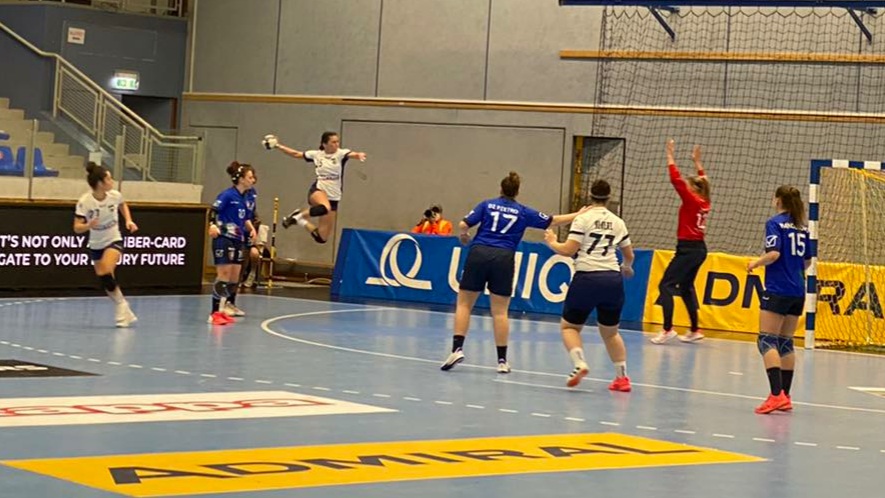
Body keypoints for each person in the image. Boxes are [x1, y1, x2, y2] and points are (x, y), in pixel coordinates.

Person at [440, 171, 588, 374]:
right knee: (500, 312)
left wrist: (464, 235)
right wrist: (579, 214)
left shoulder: (487, 205)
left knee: (464, 304)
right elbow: (553, 220)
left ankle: (457, 349)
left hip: (479, 252)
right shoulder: (523, 212)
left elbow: (463, 224)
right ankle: (502, 361)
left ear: (501, 189)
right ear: (517, 192)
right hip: (504, 257)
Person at [543, 179, 634, 392]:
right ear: (609, 197)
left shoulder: (583, 219)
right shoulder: (618, 222)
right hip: (612, 280)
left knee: (570, 327)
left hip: (587, 278)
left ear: (590, 196)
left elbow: (568, 250)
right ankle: (622, 378)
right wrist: (626, 267)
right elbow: (629, 254)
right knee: (611, 332)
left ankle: (580, 363)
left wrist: (551, 241)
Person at [747, 185, 809, 414]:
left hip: (778, 288)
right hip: (798, 290)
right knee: (785, 342)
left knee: (766, 340)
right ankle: (785, 396)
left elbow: (774, 253)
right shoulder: (802, 227)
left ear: (779, 200)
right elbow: (807, 261)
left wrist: (755, 263)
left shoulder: (774, 223)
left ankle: (775, 396)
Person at [651, 139, 712, 344]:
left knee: (665, 285)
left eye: (690, 186)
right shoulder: (705, 200)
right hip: (699, 249)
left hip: (688, 249)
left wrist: (670, 155)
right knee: (685, 287)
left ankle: (668, 329)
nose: (687, 187)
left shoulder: (692, 200)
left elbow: (676, 180)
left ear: (694, 189)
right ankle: (695, 329)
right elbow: (705, 181)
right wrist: (697, 163)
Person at [263, 132, 367, 244]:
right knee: (325, 207)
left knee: (321, 238)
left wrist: (358, 155)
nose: (337, 144)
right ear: (324, 144)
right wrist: (278, 146)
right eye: (333, 142)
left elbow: (351, 154)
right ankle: (297, 216)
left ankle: (300, 220)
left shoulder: (341, 154)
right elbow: (296, 154)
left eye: (337, 142)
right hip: (319, 190)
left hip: (334, 196)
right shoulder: (316, 155)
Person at [73, 162, 138, 328]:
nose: (112, 181)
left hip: (113, 239)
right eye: (109, 179)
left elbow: (122, 204)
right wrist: (88, 225)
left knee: (106, 270)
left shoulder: (114, 195)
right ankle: (123, 306)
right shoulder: (85, 202)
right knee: (105, 279)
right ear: (100, 183)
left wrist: (129, 220)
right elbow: (77, 228)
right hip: (96, 243)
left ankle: (121, 309)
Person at [208, 161, 257, 325]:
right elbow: (213, 211)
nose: (253, 180)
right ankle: (214, 313)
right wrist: (212, 225)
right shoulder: (227, 195)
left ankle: (224, 308)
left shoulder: (246, 197)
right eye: (250, 177)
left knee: (234, 276)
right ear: (241, 179)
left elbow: (245, 218)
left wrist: (251, 229)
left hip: (238, 239)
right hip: (224, 237)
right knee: (224, 275)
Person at [242, 214, 270, 288]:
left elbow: (260, 245)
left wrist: (253, 242)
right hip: (241, 246)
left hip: (254, 247)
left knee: (253, 252)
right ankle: (239, 276)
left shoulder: (259, 227)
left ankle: (252, 273)